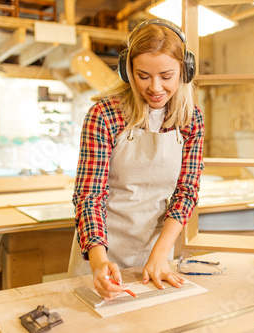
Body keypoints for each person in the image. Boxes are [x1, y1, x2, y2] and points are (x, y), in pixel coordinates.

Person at [67, 18, 204, 301]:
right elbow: (89, 196)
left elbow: (186, 192)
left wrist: (160, 253)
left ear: (185, 72)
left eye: (166, 76)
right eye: (143, 76)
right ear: (127, 71)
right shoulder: (104, 115)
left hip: (156, 253)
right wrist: (97, 261)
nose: (155, 87)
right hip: (99, 252)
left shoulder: (191, 118)